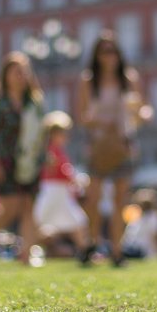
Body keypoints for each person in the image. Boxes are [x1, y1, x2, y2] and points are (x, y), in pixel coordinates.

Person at [77, 31, 153, 267]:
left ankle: (117, 250)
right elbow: (82, 117)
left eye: (113, 51)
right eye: (104, 51)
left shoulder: (129, 78)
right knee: (93, 198)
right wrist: (102, 122)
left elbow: (141, 109)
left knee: (121, 199)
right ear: (97, 55)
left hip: (124, 144)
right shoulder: (89, 81)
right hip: (99, 144)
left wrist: (142, 114)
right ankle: (93, 243)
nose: (109, 56)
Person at [0, 52, 46, 265]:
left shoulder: (34, 104)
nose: (20, 75)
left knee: (28, 206)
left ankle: (26, 254)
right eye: (15, 70)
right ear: (5, 74)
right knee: (10, 207)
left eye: (24, 71)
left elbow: (41, 133)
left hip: (30, 162)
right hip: (7, 161)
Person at [33, 110, 92, 264]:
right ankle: (30, 249)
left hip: (59, 191)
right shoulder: (51, 150)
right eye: (63, 133)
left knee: (75, 221)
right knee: (41, 221)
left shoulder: (54, 150)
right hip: (54, 190)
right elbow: (61, 169)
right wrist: (76, 179)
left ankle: (84, 251)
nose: (67, 136)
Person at [121, 188, 157, 259]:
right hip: (137, 250)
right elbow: (156, 238)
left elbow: (156, 237)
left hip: (138, 251)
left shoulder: (152, 217)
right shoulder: (152, 216)